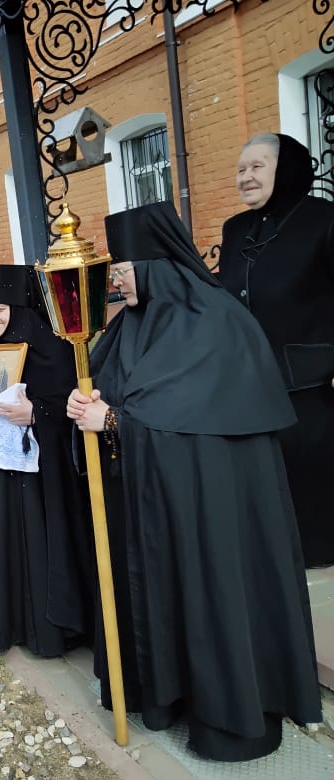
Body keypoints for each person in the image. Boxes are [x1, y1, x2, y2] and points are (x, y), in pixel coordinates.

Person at [66, 201, 320, 761]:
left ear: (154, 265)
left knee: (212, 604)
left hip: (211, 514)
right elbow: (114, 396)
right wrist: (84, 407)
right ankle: (163, 697)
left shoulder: (217, 323)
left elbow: (199, 429)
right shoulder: (127, 325)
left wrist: (114, 422)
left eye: (123, 268)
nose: (116, 280)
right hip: (149, 508)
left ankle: (228, 717)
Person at [0, 265, 94, 657]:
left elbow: (70, 407)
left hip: (40, 481)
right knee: (3, 546)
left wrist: (35, 414)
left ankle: (49, 635)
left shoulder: (55, 351)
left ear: (20, 308)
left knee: (39, 548)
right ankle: (10, 625)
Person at [218, 132, 334, 567]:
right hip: (251, 390)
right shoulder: (236, 230)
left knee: (316, 506)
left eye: (257, 167)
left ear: (286, 169)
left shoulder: (324, 221)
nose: (245, 177)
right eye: (240, 169)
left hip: (314, 391)